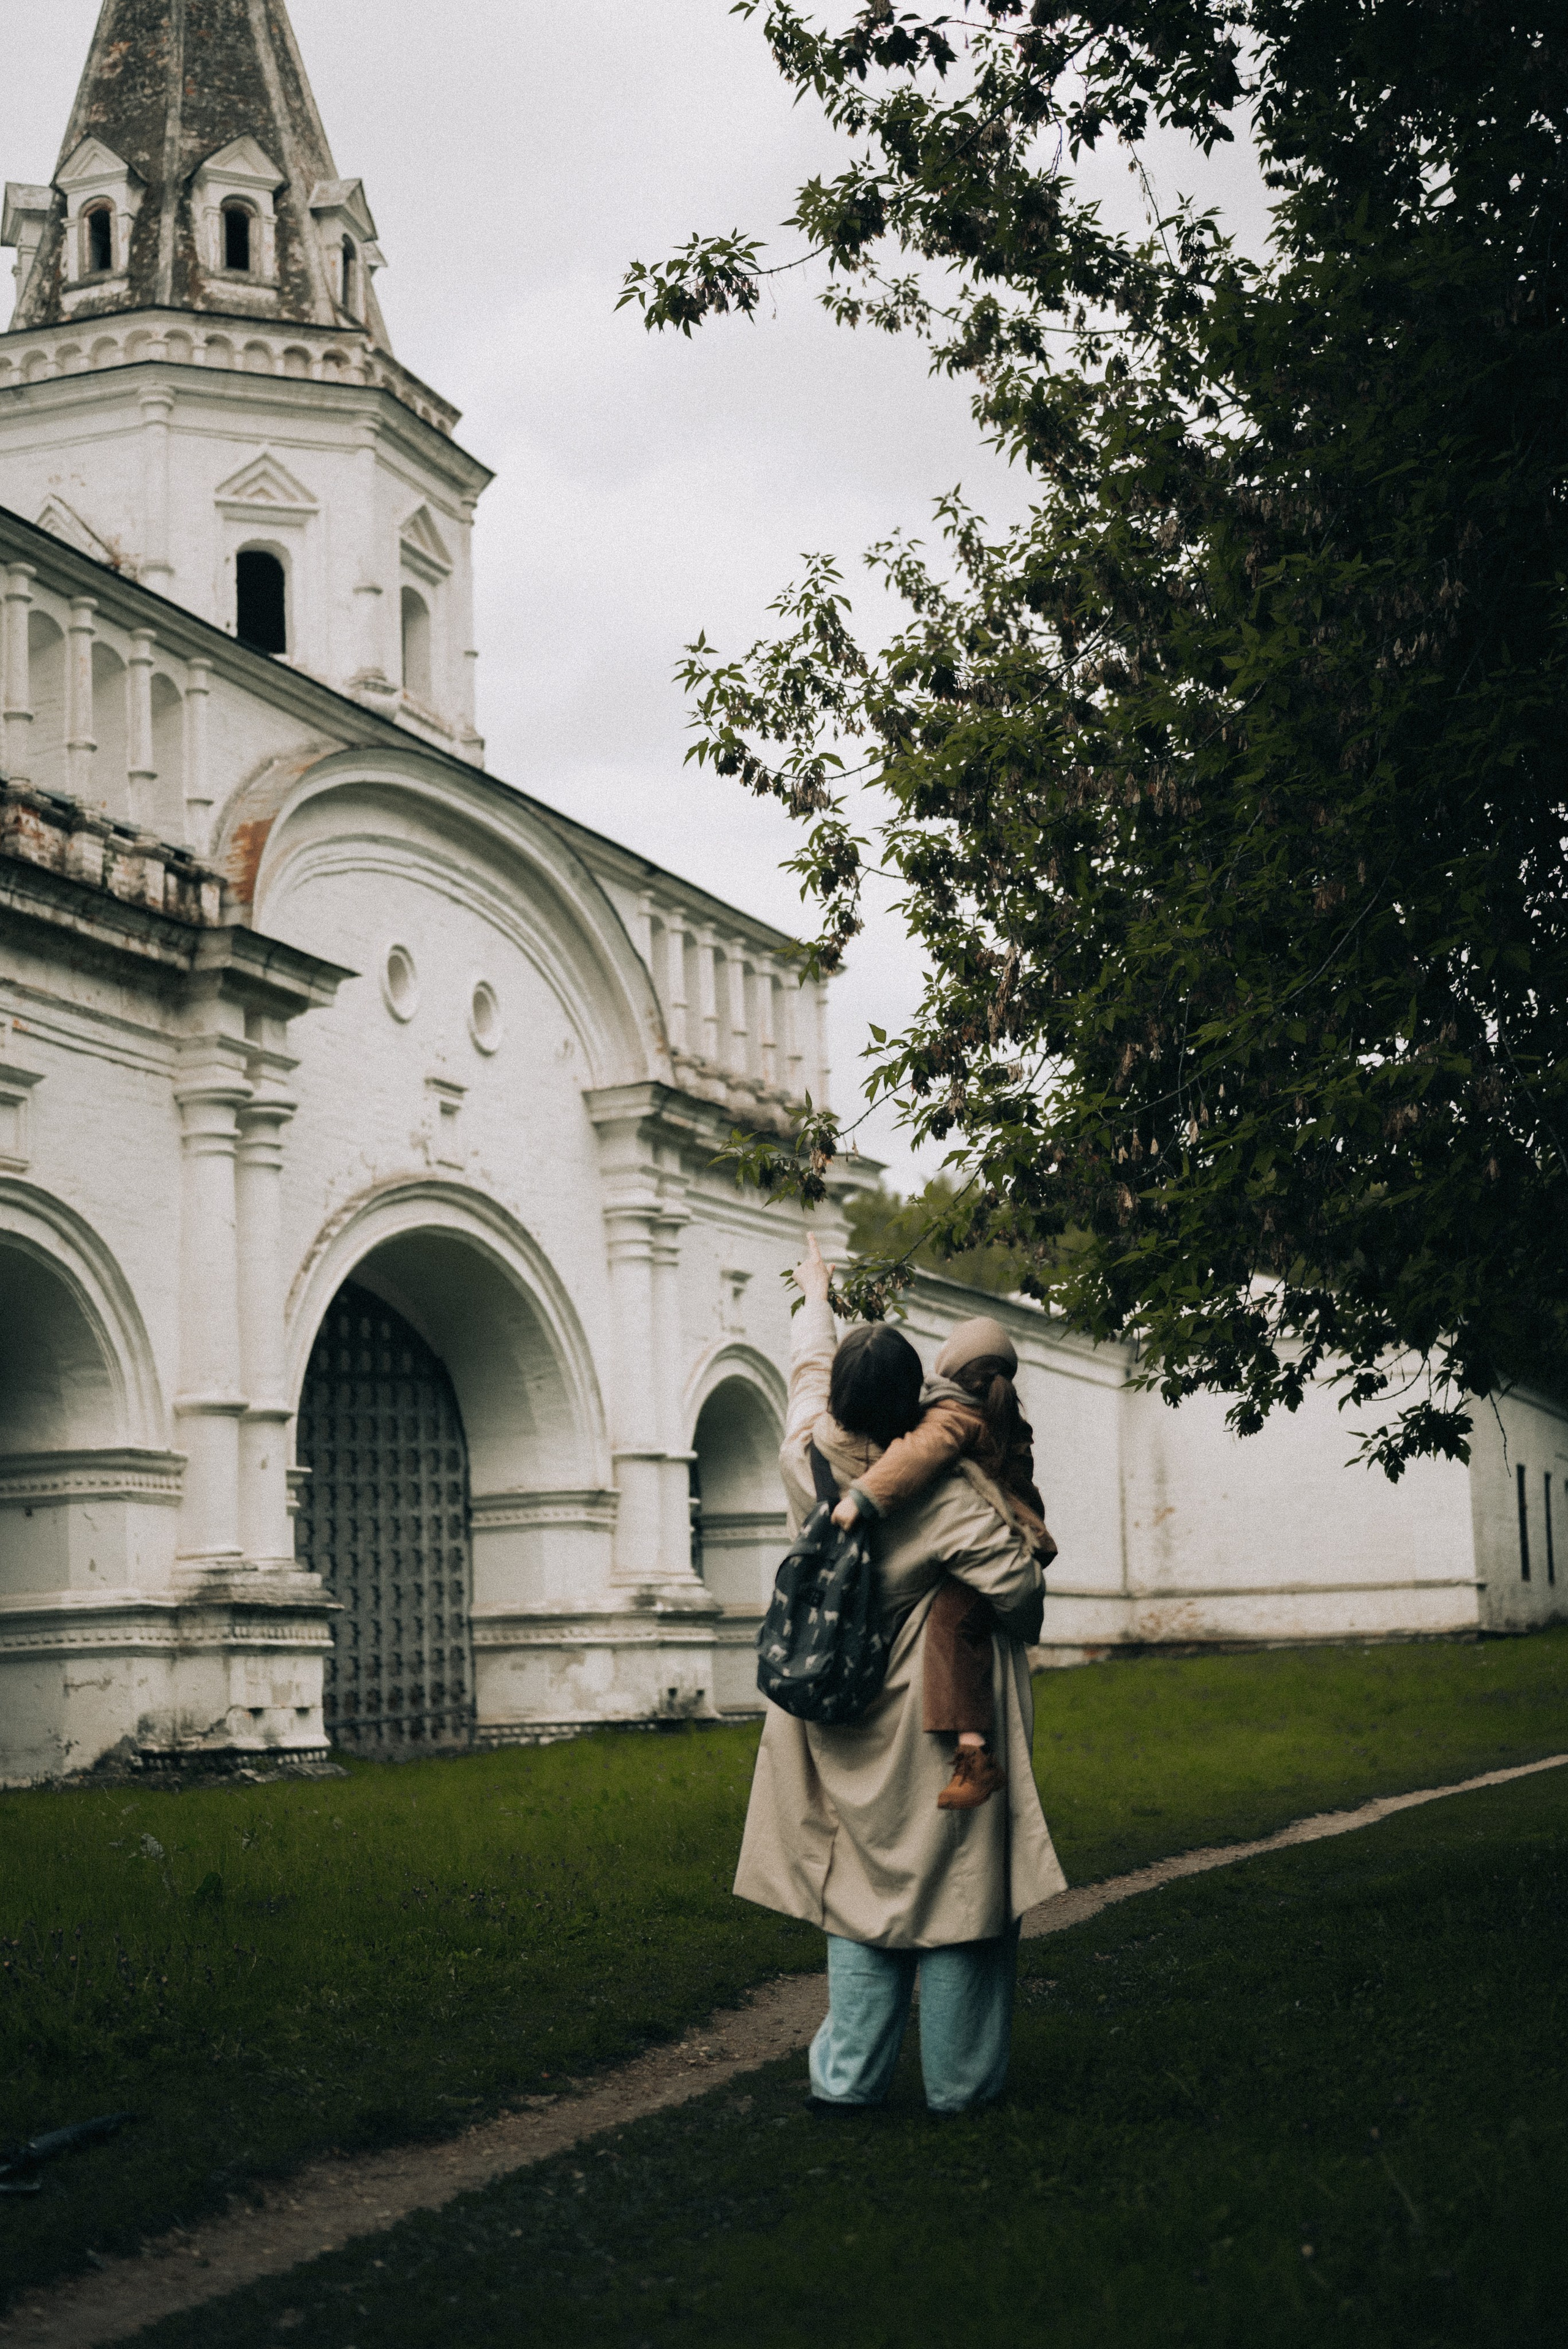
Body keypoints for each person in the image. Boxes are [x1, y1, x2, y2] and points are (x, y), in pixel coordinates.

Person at [734, 1235, 1068, 2116]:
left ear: (843, 1402)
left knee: (859, 1895)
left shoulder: (803, 1455)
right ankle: (959, 2084)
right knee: (960, 1898)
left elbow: (808, 1367)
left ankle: (846, 2080)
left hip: (834, 1723)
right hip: (934, 1732)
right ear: (915, 1402)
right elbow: (1020, 1591)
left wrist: (815, 1291)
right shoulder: (948, 1496)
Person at [828, 1316, 1057, 1814]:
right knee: (962, 1625)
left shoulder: (951, 1415)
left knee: (951, 1627)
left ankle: (973, 1756)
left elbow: (915, 1455)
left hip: (1002, 1548)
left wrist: (862, 1498)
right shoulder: (1002, 1415)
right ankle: (974, 1752)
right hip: (1024, 1539)